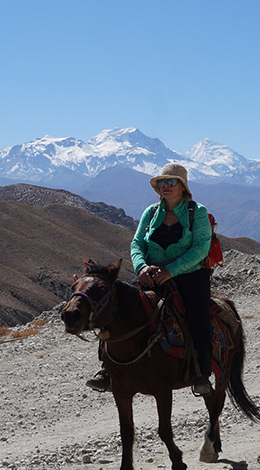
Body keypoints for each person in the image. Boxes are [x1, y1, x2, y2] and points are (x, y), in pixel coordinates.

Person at [86, 164, 216, 396]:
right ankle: (107, 369)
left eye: (171, 182)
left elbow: (200, 249)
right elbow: (137, 244)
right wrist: (142, 267)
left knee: (198, 316)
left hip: (190, 276)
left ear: (183, 186)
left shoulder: (197, 212)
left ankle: (201, 373)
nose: (165, 186)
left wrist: (171, 270)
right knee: (116, 306)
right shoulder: (151, 212)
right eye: (161, 183)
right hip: (152, 274)